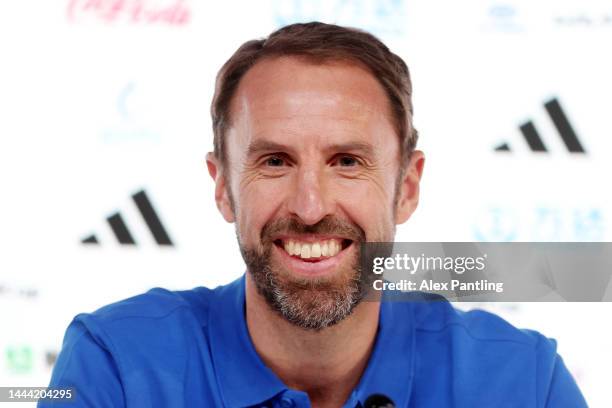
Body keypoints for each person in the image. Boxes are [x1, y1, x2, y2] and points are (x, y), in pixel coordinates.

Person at [41, 22, 587, 407]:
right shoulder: (115, 365)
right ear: (223, 188)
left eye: (347, 162)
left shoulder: (523, 382)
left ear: (407, 188)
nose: (310, 207)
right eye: (274, 161)